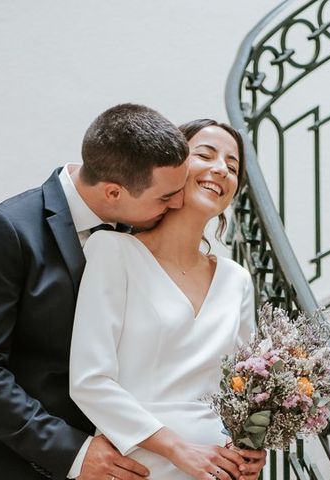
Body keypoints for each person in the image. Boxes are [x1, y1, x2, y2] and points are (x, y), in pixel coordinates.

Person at [0, 104, 191, 480]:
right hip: (24, 464)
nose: (178, 204)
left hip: (129, 460)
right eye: (165, 197)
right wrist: (74, 453)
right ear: (113, 192)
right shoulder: (6, 231)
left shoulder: (141, 233)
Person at [70, 119, 267, 480]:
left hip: (216, 470)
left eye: (233, 165)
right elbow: (89, 380)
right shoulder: (113, 252)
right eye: (205, 155)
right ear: (174, 167)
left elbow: (243, 388)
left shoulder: (236, 280)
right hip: (139, 464)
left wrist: (251, 445)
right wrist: (179, 450)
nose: (221, 169)